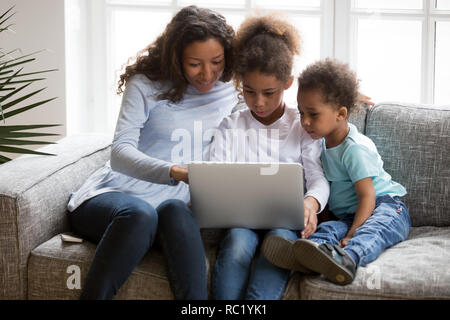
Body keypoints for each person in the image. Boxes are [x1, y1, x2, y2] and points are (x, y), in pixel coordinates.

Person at [66, 5, 239, 300]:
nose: (208, 74)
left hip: (171, 208)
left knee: (173, 212)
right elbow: (119, 153)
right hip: (114, 199)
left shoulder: (234, 89)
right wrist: (177, 172)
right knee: (140, 214)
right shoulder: (145, 84)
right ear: (176, 58)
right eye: (195, 64)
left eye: (217, 62)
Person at [209, 13, 330, 300]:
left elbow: (318, 180)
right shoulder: (231, 125)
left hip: (286, 221)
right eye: (249, 91)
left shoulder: (302, 126)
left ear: (288, 83)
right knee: (238, 243)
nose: (259, 102)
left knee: (280, 243)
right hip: (241, 219)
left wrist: (310, 206)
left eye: (269, 92)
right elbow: (215, 178)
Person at [262, 58, 411, 285]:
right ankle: (306, 256)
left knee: (372, 231)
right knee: (327, 230)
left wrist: (352, 234)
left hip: (385, 206)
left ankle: (348, 259)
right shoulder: (318, 144)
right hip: (350, 215)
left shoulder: (354, 149)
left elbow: (367, 196)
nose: (305, 122)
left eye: (313, 114)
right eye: (301, 113)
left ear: (341, 114)